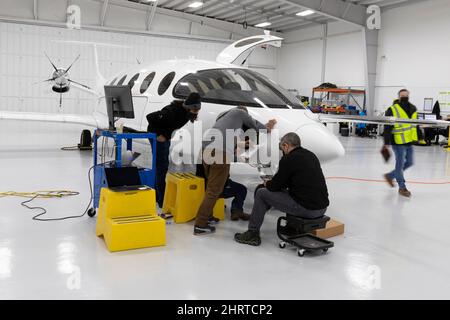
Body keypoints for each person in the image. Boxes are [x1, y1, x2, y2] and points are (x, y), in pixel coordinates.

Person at [234, 132, 329, 246]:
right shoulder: (311, 155)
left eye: (282, 149)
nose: (282, 153)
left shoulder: (288, 159)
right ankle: (291, 228)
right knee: (291, 193)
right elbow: (295, 182)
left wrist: (268, 182)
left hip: (307, 210)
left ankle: (252, 233)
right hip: (322, 208)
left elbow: (275, 186)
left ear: (286, 146)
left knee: (261, 193)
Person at [194, 106, 276, 235]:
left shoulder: (222, 117)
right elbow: (254, 123)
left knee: (211, 187)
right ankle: (200, 225)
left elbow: (232, 140)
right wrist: (268, 129)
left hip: (205, 151)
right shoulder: (240, 112)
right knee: (214, 190)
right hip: (219, 153)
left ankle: (208, 217)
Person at [146, 92, 201, 208]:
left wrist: (166, 135)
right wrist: (158, 135)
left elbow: (170, 126)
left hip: (165, 137)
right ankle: (162, 201)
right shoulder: (171, 112)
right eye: (194, 110)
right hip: (158, 137)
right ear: (188, 107)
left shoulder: (186, 114)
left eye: (197, 110)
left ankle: (158, 196)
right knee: (161, 168)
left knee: (162, 167)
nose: (196, 113)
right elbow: (150, 117)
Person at [382, 89, 419, 197]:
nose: (404, 97)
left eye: (406, 95)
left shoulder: (413, 108)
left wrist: (419, 137)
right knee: (400, 165)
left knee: (410, 162)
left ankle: (390, 176)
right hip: (397, 142)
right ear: (398, 97)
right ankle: (402, 188)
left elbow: (415, 125)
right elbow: (387, 127)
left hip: (409, 141)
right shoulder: (392, 109)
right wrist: (386, 142)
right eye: (402, 96)